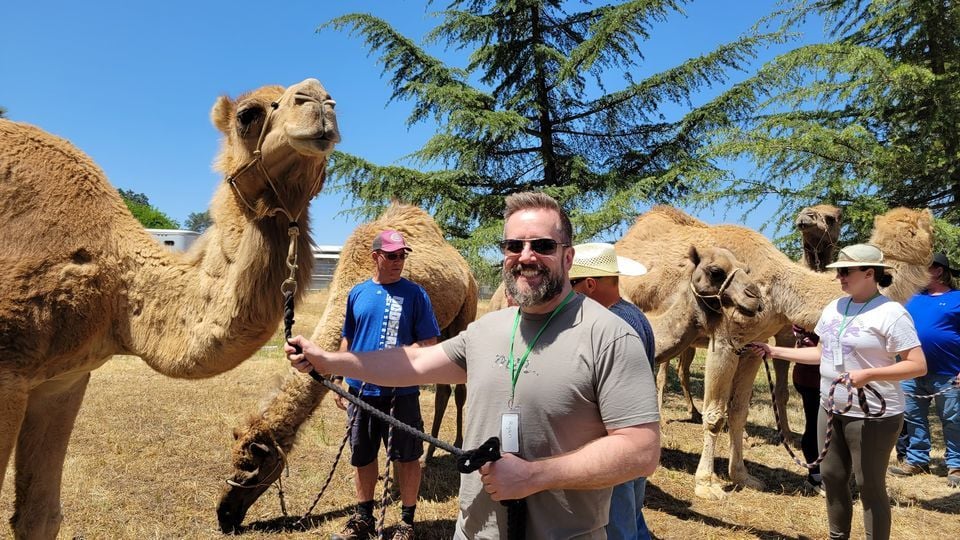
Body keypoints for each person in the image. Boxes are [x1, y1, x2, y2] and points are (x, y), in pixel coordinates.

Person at [287, 192, 661, 538]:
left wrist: (536, 475)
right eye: (513, 245)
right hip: (473, 531)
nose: (526, 256)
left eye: (542, 245)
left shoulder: (610, 335)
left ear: (567, 256)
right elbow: (414, 361)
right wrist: (330, 360)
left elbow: (641, 450)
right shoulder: (487, 330)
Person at [746, 243, 926, 540]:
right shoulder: (834, 307)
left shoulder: (892, 313)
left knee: (870, 486)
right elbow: (821, 353)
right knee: (832, 477)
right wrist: (773, 351)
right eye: (838, 271)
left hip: (873, 415)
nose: (839, 277)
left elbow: (917, 365)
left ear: (870, 273)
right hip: (830, 408)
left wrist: (870, 374)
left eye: (846, 271)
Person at [332, 229, 441, 540]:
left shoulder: (416, 294)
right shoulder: (358, 293)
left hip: (401, 393)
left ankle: (406, 522)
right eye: (392, 255)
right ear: (375, 256)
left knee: (407, 458)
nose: (398, 261)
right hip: (362, 392)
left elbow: (429, 341)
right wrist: (340, 375)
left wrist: (396, 364)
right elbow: (348, 338)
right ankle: (363, 519)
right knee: (363, 456)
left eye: (402, 255)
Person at [568, 242, 655, 540]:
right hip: (633, 433)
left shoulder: (612, 323)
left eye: (571, 283)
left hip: (615, 437)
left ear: (589, 285)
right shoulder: (632, 314)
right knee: (631, 516)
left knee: (618, 524)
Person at [891, 253, 960, 488]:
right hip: (911, 371)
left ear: (938, 271)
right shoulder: (911, 299)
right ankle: (917, 459)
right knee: (912, 417)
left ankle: (956, 464)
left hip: (948, 372)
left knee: (952, 419)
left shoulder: (957, 299)